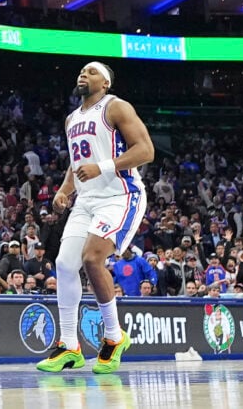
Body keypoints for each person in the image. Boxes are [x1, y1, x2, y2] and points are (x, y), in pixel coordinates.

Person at [36, 61, 154, 375]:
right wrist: (64, 190)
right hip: (86, 199)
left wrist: (102, 168)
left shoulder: (116, 107)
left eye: (92, 71)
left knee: (92, 258)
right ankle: (69, 345)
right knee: (63, 264)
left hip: (119, 195)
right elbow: (78, 162)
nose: (84, 73)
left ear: (105, 83)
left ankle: (115, 337)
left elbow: (146, 150)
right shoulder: (71, 119)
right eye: (82, 71)